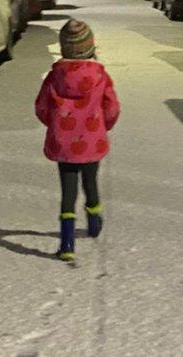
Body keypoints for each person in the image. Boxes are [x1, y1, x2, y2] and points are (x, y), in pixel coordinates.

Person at [35, 19, 120, 261]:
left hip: (63, 143)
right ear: (90, 47)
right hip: (92, 140)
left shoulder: (53, 78)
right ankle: (94, 223)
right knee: (91, 183)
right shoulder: (101, 76)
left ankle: (67, 244)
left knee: (68, 192)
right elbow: (112, 107)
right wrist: (104, 127)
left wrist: (56, 126)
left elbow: (41, 107)